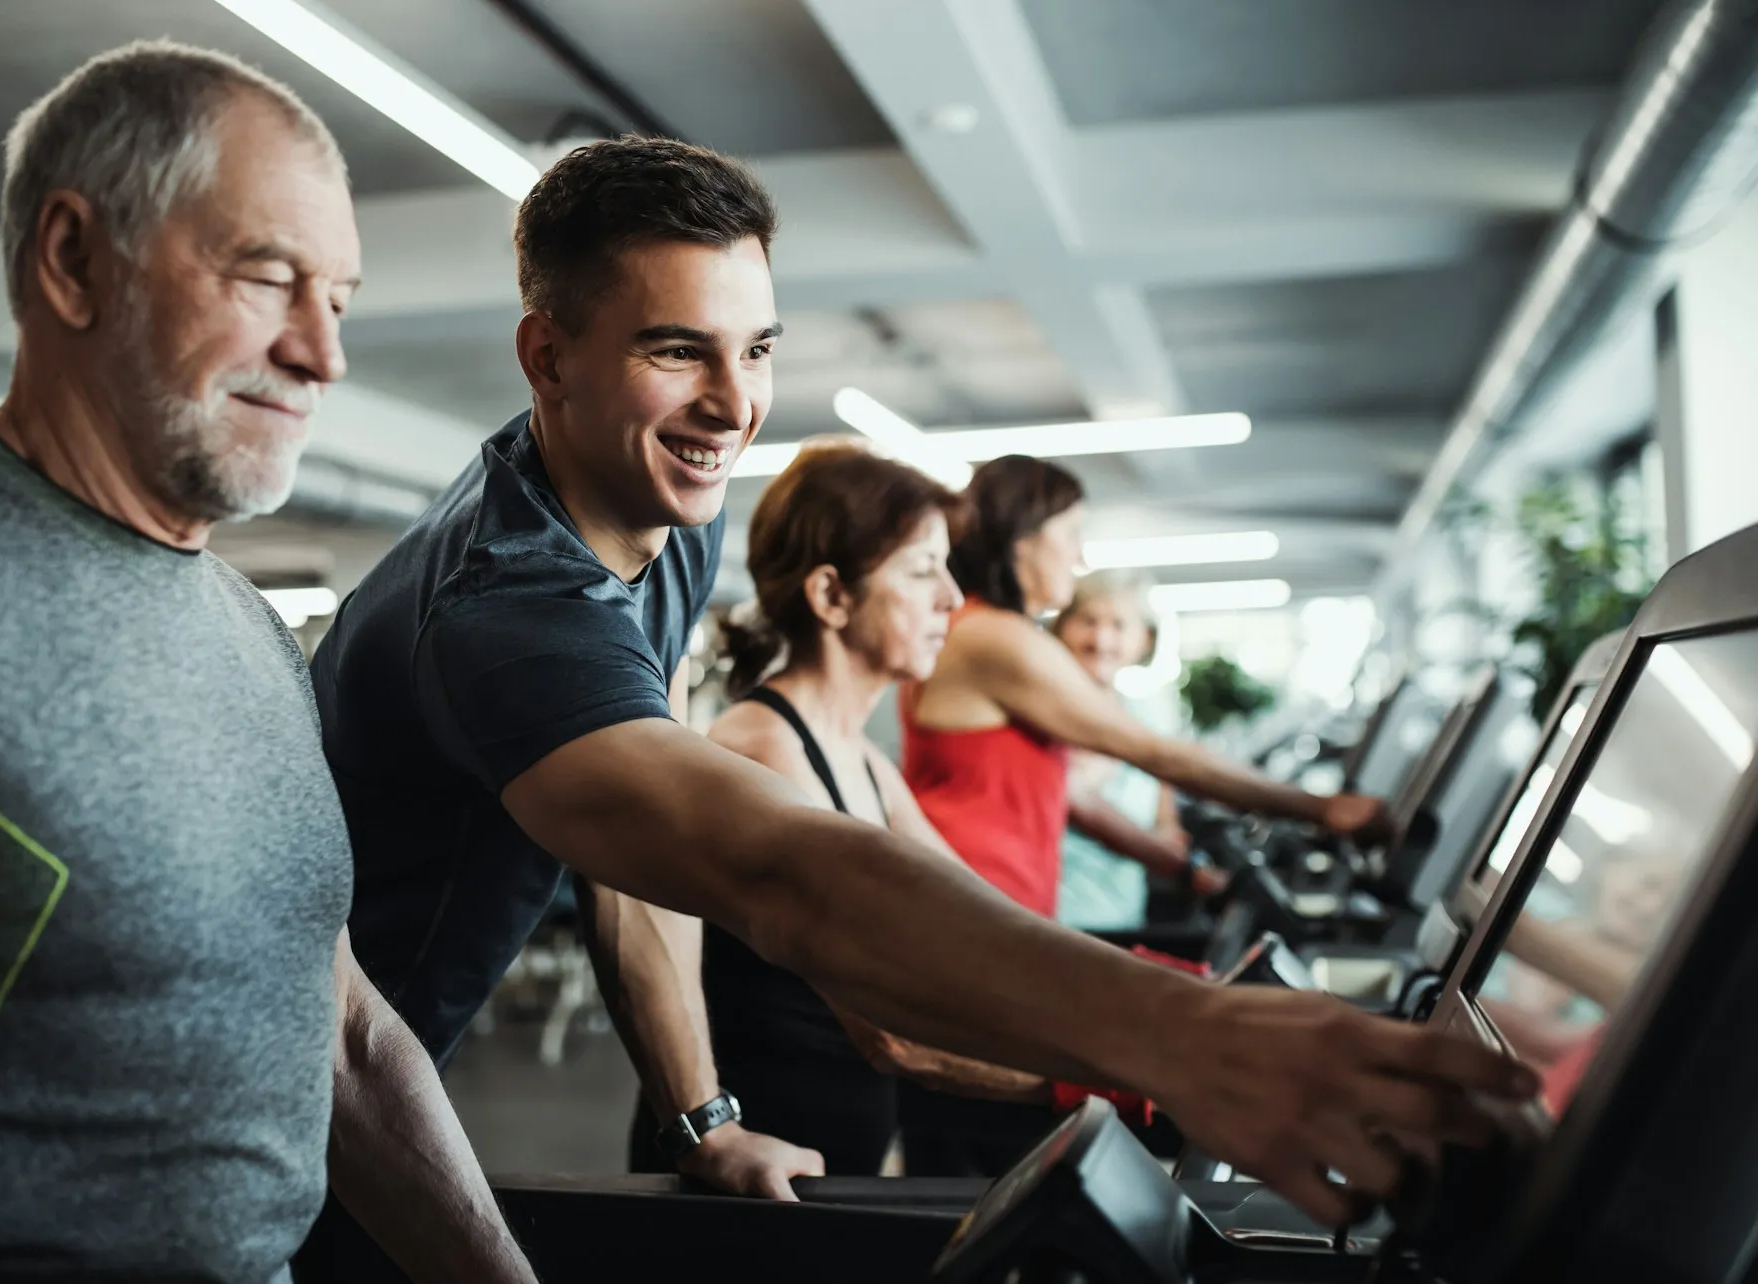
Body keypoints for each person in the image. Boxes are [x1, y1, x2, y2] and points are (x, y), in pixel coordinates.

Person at [303, 134, 1535, 1276]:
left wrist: (702, 1117)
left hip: (379, 1056)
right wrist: (1183, 1040)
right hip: (302, 1076)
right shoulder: (510, 610)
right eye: (677, 350)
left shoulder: (652, 510)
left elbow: (631, 864)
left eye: (760, 349)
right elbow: (782, 873)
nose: (734, 406)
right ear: (547, 357)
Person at [0, 43, 532, 1284]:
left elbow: (344, 1042)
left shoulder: (247, 627)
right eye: (269, 278)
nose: (325, 355)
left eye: (343, 300)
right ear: (73, 261)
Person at [894, 456, 1394, 1175]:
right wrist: (1325, 810)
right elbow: (1158, 753)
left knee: (996, 1161)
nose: (1081, 555)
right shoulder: (994, 637)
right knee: (980, 1168)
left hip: (993, 918)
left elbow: (1077, 800)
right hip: (970, 922)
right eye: (1072, 535)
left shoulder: (989, 635)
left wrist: (1189, 869)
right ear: (1024, 538)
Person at [656, 440, 1070, 1176]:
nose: (950, 596)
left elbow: (977, 920)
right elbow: (891, 1032)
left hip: (839, 1145)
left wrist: (1168, 1001)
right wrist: (1139, 1076)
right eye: (921, 571)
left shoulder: (862, 758)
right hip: (764, 1175)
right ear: (832, 596)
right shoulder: (765, 752)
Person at [1050, 570, 1225, 932]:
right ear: (1063, 629)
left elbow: (1166, 820)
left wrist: (1174, 843)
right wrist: (1187, 868)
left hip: (1123, 917)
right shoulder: (1044, 714)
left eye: (1118, 625)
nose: (1101, 639)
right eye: (1088, 621)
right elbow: (1076, 803)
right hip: (1051, 918)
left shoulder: (1148, 722)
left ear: (1144, 639)